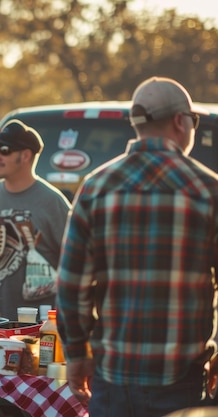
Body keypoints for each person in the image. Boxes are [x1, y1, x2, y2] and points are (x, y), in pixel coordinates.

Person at [56, 76, 218, 417]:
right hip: (183, 382)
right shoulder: (207, 190)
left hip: (111, 379)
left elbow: (71, 287)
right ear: (180, 120)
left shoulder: (95, 188)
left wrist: (76, 355)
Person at [0, 119, 70, 321]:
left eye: (4, 150)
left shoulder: (54, 203)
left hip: (40, 325)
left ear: (25, 155)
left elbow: (73, 263)